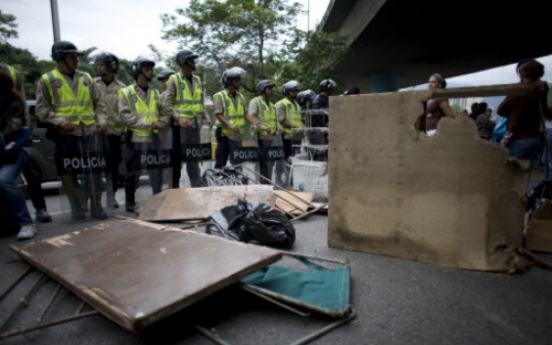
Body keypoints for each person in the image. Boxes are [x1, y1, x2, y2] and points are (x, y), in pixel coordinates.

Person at [35, 41, 108, 220]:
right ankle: (76, 205)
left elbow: (99, 104)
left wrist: (102, 119)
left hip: (89, 133)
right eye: (71, 57)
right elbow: (41, 110)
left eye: (76, 56)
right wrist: (58, 121)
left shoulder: (86, 78)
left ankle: (96, 205)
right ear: (60, 58)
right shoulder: (48, 80)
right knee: (69, 173)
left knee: (94, 171)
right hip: (66, 136)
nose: (75, 60)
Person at [0, 62, 52, 223]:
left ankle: (40, 209)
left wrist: (25, 134)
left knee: (31, 174)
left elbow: (20, 103)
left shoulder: (11, 72)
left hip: (19, 133)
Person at [119, 55, 171, 212]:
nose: (150, 71)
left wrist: (163, 122)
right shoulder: (126, 92)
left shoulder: (155, 93)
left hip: (153, 138)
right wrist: (145, 123)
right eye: (146, 68)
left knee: (156, 171)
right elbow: (124, 116)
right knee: (132, 172)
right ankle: (130, 201)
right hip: (135, 138)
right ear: (137, 71)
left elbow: (165, 111)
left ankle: (158, 199)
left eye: (151, 68)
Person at [163, 49, 213, 188]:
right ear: (183, 62)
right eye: (191, 60)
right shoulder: (174, 79)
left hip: (194, 128)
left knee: (194, 159)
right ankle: (174, 188)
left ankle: (196, 187)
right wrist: (178, 118)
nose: (194, 62)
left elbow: (199, 102)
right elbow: (167, 104)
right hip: (180, 129)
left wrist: (207, 117)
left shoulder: (197, 80)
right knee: (177, 160)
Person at [0, 70, 37, 240]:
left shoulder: (14, 104)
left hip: (16, 150)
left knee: (5, 179)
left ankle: (26, 222)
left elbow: (11, 132)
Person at [498, 59, 551, 164]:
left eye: (521, 71)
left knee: (511, 172)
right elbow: (546, 111)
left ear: (525, 73)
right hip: (535, 137)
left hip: (519, 137)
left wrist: (514, 113)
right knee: (525, 174)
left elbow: (501, 110)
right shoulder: (541, 90)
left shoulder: (519, 90)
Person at [92, 51, 126, 209]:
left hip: (114, 133)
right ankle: (95, 200)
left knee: (113, 168)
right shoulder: (92, 84)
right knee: (95, 167)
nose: (99, 68)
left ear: (110, 67)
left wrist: (123, 131)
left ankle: (111, 197)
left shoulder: (122, 88)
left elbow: (126, 111)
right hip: (96, 133)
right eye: (98, 64)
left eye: (102, 65)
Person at [213, 67, 248, 169]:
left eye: (239, 80)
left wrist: (254, 124)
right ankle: (217, 183)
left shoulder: (241, 97)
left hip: (237, 135)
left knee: (238, 163)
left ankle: (238, 183)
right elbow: (218, 114)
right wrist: (230, 125)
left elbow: (245, 113)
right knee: (220, 162)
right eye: (236, 80)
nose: (238, 82)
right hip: (224, 135)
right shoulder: (220, 96)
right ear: (229, 81)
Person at [248, 79, 281, 184]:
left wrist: (278, 127)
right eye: (269, 88)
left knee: (270, 163)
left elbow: (274, 120)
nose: (271, 91)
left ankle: (268, 183)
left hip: (271, 137)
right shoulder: (255, 101)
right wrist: (262, 127)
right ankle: (259, 185)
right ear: (263, 89)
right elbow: (251, 116)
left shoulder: (272, 105)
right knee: (261, 163)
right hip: (260, 138)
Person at [274, 80, 305, 188]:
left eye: (296, 91)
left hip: (296, 137)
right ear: (287, 91)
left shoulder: (296, 104)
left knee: (293, 160)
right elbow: (282, 121)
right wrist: (297, 127)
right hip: (285, 137)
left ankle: (289, 181)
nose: (295, 93)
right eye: (293, 91)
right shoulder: (281, 104)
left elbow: (298, 119)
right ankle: (279, 183)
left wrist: (303, 126)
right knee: (283, 160)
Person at [310, 79, 337, 161]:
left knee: (325, 154)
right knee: (320, 155)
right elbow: (318, 115)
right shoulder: (318, 99)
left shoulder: (325, 99)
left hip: (323, 131)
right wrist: (323, 128)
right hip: (319, 132)